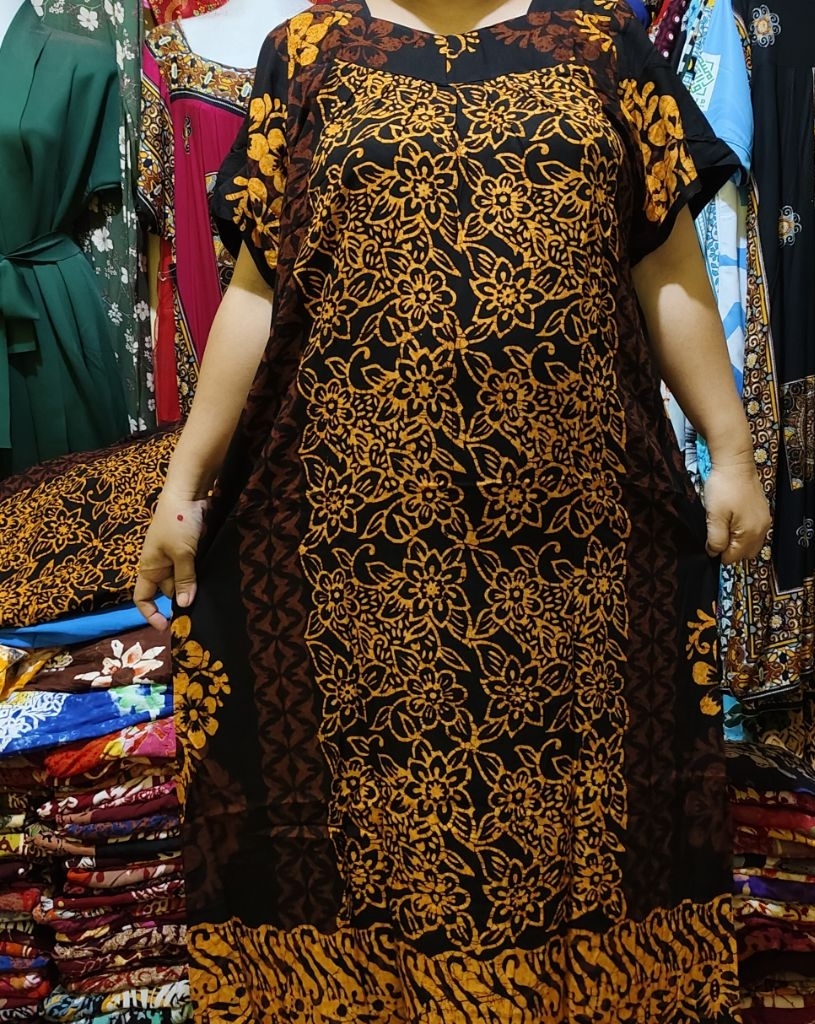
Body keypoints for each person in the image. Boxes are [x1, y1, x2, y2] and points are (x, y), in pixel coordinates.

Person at [134, 0, 771, 1019]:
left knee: (576, 798)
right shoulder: (305, 53)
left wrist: (730, 449)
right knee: (377, 804)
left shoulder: (604, 45)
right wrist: (185, 481)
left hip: (576, 528)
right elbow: (256, 289)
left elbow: (664, 260)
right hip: (357, 530)